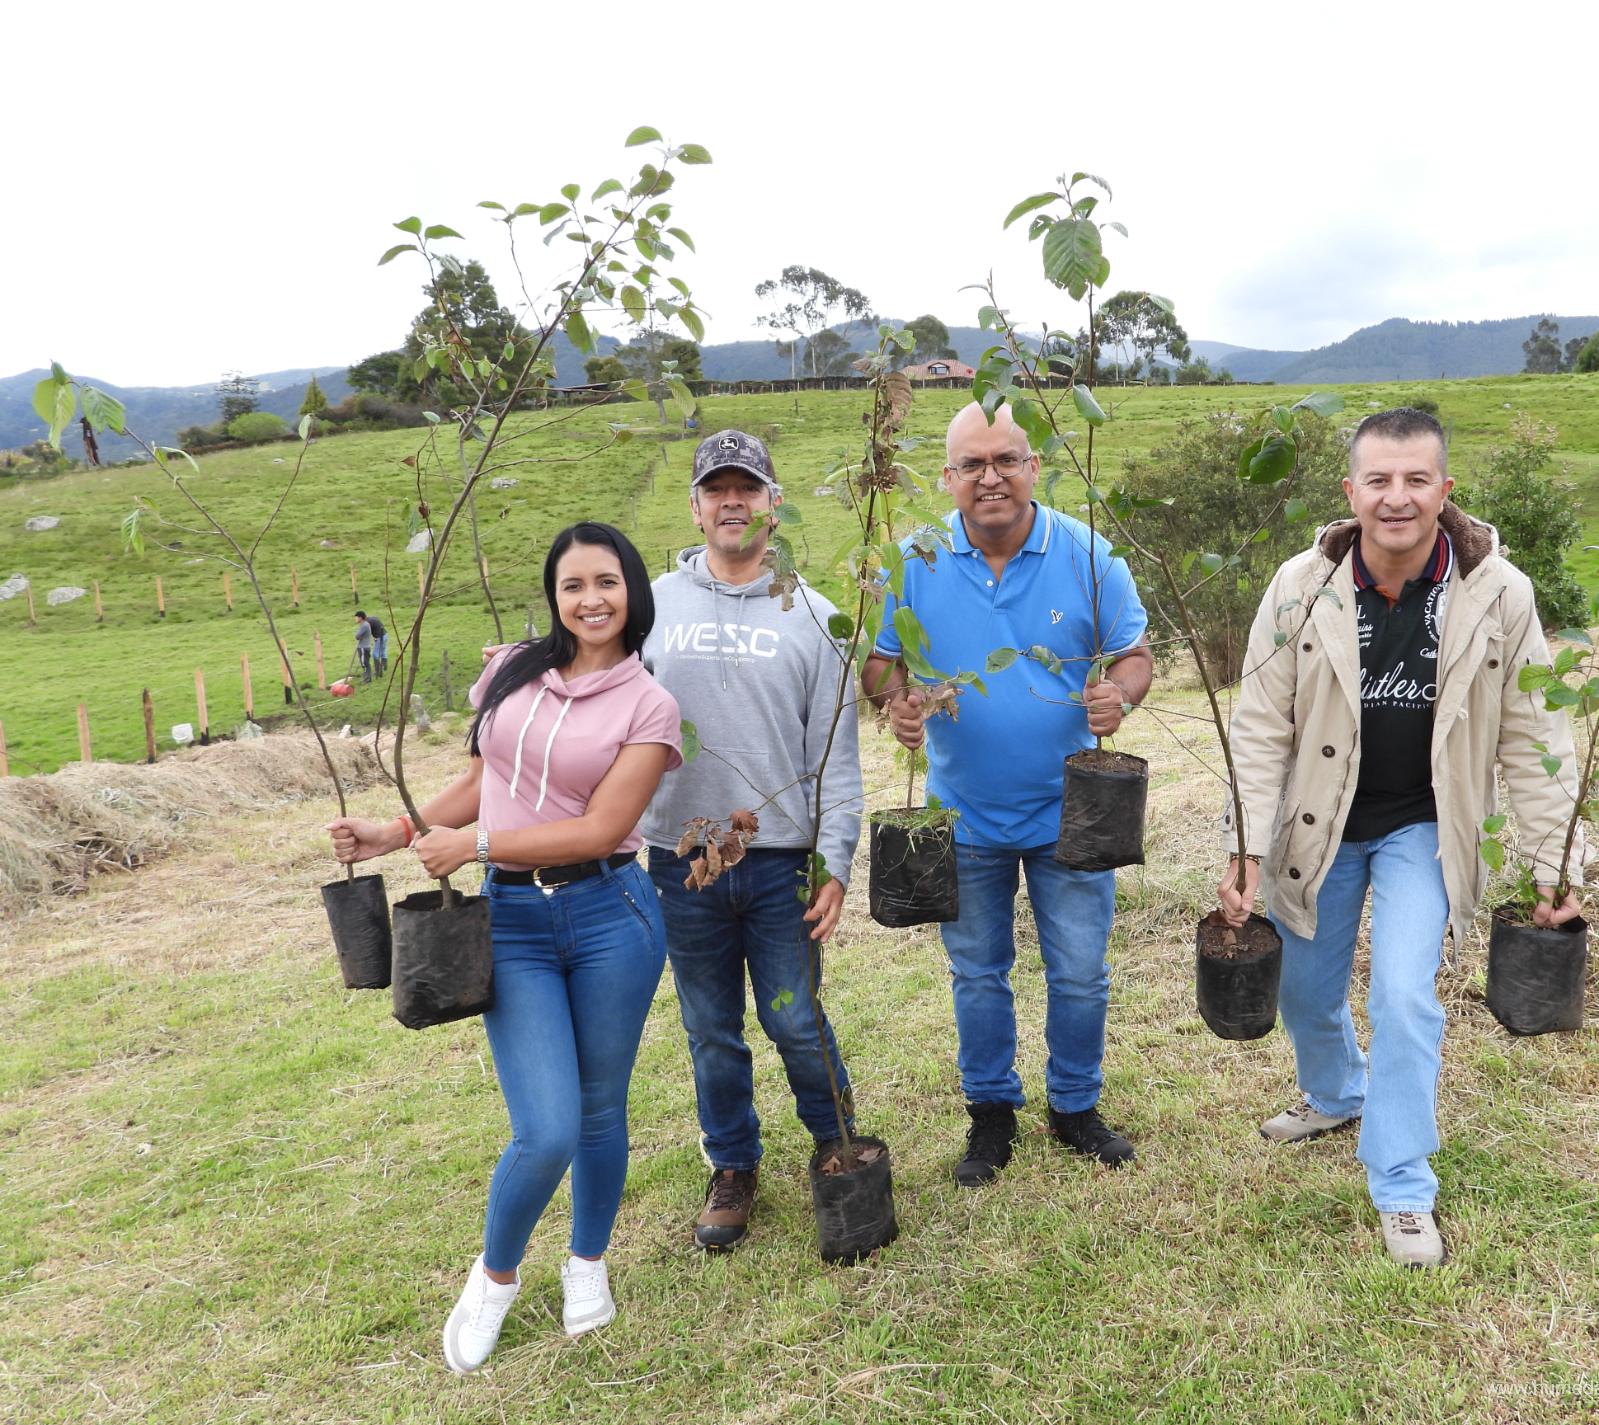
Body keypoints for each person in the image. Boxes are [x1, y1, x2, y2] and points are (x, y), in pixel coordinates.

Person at [1216, 407, 1584, 1269]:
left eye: (1417, 479)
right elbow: (1262, 724)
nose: (1397, 497)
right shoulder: (1300, 585)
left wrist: (1550, 860)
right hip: (1321, 823)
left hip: (1428, 824)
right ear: (1350, 492)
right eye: (1379, 479)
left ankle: (1404, 1180)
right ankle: (1339, 1090)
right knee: (1303, 995)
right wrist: (1243, 845)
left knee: (1405, 997)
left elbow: (1535, 732)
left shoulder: (1499, 591)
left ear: (1445, 490)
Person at [327, 521, 682, 1371]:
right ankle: (495, 1275)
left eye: (607, 581)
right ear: (554, 595)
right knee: (547, 1125)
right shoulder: (514, 669)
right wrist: (394, 831)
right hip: (514, 923)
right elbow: (490, 778)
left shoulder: (651, 706)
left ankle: (588, 1263)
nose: (590, 599)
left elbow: (603, 825)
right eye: (572, 584)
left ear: (633, 591)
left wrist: (479, 846)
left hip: (612, 917)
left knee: (600, 1108)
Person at [862, 402, 1153, 1187]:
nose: (990, 476)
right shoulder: (912, 563)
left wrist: (1117, 697)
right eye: (971, 464)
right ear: (948, 477)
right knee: (978, 971)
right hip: (967, 814)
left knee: (1082, 969)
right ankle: (991, 1114)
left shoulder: (1089, 556)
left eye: (1006, 459)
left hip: (1075, 811)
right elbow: (881, 664)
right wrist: (899, 701)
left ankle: (1074, 1107)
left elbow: (1134, 655)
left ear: (1033, 465)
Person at [641, 428, 866, 1252]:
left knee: (794, 1017)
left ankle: (836, 1141)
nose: (731, 501)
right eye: (715, 488)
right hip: (679, 860)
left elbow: (834, 754)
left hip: (778, 867)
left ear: (774, 499)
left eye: (748, 486)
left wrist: (835, 861)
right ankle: (733, 1165)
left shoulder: (813, 612)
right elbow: (590, 678)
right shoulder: (653, 604)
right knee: (710, 1027)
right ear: (696, 505)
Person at [353, 611, 375, 681]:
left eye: (357, 617)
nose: (356, 619)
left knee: (364, 663)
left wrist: (357, 636)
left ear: (360, 618)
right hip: (364, 646)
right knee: (364, 663)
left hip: (363, 647)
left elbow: (357, 635)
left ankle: (367, 679)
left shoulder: (365, 625)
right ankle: (366, 678)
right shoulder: (364, 624)